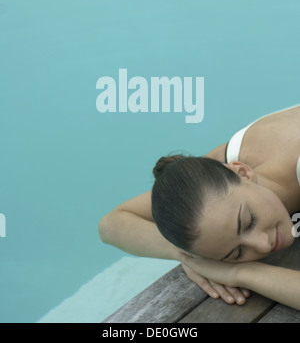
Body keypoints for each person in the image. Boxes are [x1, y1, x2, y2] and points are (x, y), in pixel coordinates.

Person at [98, 104, 300, 310]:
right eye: (237, 253)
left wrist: (238, 273)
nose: (264, 244)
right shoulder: (214, 177)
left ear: (243, 173)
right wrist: (193, 254)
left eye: (249, 222)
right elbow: (111, 224)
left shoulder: (243, 158)